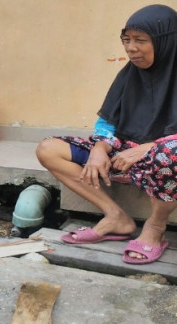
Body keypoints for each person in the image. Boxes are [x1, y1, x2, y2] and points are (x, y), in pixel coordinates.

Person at [36, 4, 177, 265]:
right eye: (126, 40)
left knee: (168, 154)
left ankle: (155, 227)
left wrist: (150, 147)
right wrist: (100, 149)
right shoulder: (130, 75)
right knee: (48, 149)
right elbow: (108, 122)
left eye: (141, 40)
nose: (131, 48)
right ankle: (115, 217)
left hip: (164, 161)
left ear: (166, 41)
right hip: (124, 157)